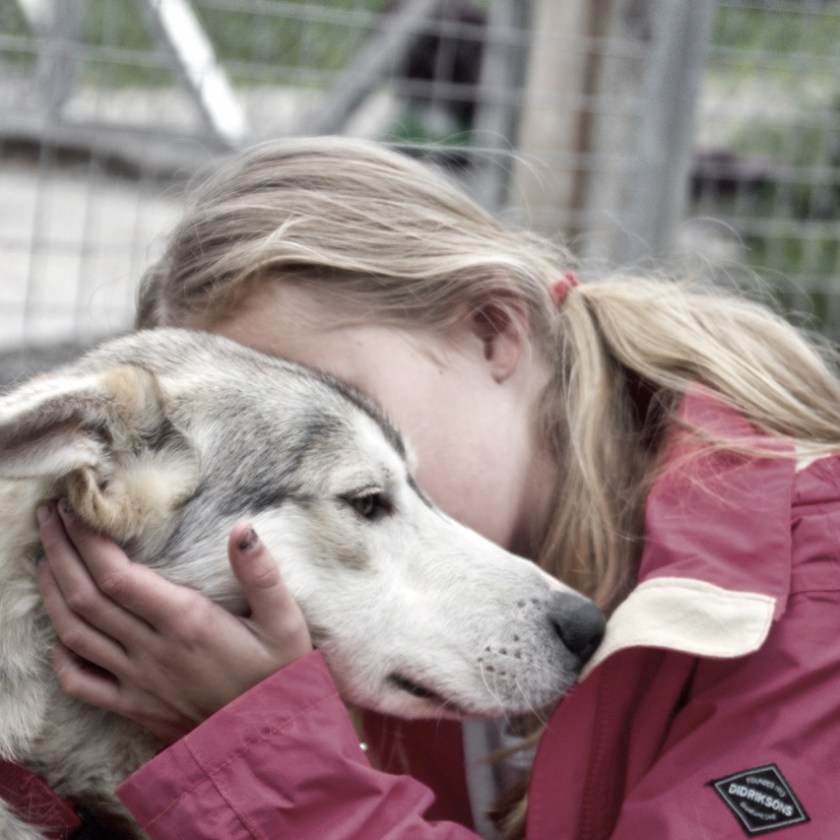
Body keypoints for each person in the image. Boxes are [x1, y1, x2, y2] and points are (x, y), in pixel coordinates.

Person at [35, 136, 840, 839]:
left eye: (349, 428)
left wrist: (255, 747)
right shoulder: (378, 609)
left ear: (493, 329)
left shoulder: (816, 589)